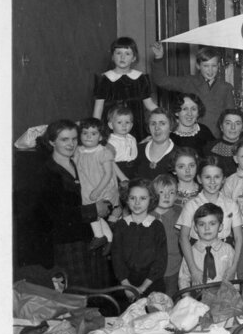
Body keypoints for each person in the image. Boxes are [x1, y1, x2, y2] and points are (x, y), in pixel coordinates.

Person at [38, 120, 111, 289]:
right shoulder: (48, 172)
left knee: (100, 292)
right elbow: (55, 214)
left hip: (91, 238)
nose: (71, 144)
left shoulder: (77, 162)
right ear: (51, 142)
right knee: (79, 295)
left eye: (74, 138)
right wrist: (94, 209)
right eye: (64, 139)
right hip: (69, 244)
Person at [177, 157, 243, 285]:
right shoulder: (191, 205)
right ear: (199, 179)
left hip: (224, 256)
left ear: (223, 179)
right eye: (207, 177)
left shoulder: (231, 205)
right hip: (197, 255)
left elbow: (239, 237)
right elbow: (183, 237)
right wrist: (193, 269)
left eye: (217, 177)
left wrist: (234, 266)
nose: (212, 182)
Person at [151, 43, 234, 138]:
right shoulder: (189, 81)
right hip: (191, 135)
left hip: (216, 137)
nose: (210, 70)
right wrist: (158, 58)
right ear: (198, 66)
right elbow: (162, 80)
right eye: (206, 66)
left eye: (213, 66)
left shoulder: (225, 87)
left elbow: (231, 116)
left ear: (218, 66)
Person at [111, 178, 167, 298]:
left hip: (152, 285)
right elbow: (117, 259)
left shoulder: (157, 226)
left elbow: (160, 261)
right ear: (126, 199)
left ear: (151, 199)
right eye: (132, 198)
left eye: (142, 198)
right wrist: (126, 285)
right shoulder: (121, 226)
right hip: (125, 286)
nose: (137, 203)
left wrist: (143, 287)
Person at [94, 37, 157, 142]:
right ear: (112, 56)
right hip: (112, 129)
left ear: (134, 58)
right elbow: (98, 110)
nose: (122, 57)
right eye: (118, 53)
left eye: (127, 54)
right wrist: (95, 131)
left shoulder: (140, 78)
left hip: (136, 128)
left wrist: (166, 115)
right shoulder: (104, 79)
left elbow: (150, 105)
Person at [75, 118, 119, 251]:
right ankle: (108, 239)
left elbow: (108, 174)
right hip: (87, 187)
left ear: (100, 137)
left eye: (93, 133)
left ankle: (100, 236)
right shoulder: (78, 151)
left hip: (101, 188)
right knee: (94, 216)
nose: (88, 136)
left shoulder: (104, 152)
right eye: (85, 133)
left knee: (94, 213)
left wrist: (98, 190)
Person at [178, 203, 236, 289]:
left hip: (224, 298)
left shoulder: (228, 250)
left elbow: (235, 276)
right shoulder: (191, 252)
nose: (207, 228)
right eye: (201, 224)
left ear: (220, 227)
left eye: (212, 224)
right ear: (196, 228)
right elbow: (183, 279)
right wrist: (188, 300)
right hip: (198, 299)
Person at [150, 174, 183, 298]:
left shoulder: (180, 213)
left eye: (171, 192)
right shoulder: (146, 215)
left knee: (172, 299)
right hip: (151, 269)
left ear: (176, 196)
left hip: (174, 266)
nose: (166, 196)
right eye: (162, 192)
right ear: (153, 194)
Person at [135, 108, 177, 180]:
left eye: (162, 123)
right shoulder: (136, 150)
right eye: (153, 123)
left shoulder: (179, 154)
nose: (157, 128)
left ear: (171, 127)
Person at [204, 109, 243, 178]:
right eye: (228, 123)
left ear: (242, 128)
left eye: (237, 123)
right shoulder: (210, 149)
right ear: (221, 127)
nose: (233, 127)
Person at [107, 106, 138, 181]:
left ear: (131, 125)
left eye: (127, 122)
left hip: (133, 169)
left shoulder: (132, 138)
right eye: (119, 122)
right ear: (111, 125)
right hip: (117, 171)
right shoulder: (110, 142)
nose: (124, 125)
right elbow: (109, 162)